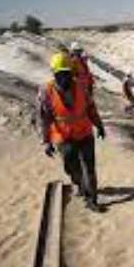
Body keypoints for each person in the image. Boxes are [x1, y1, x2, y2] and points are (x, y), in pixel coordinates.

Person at [39, 52, 106, 212]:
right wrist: (47, 141)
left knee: (89, 167)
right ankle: (79, 184)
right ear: (54, 74)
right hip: (63, 136)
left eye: (67, 73)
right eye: (60, 74)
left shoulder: (82, 86)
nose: (64, 78)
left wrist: (99, 125)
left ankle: (92, 199)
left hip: (84, 133)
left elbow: (91, 108)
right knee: (71, 166)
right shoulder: (46, 92)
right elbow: (44, 117)